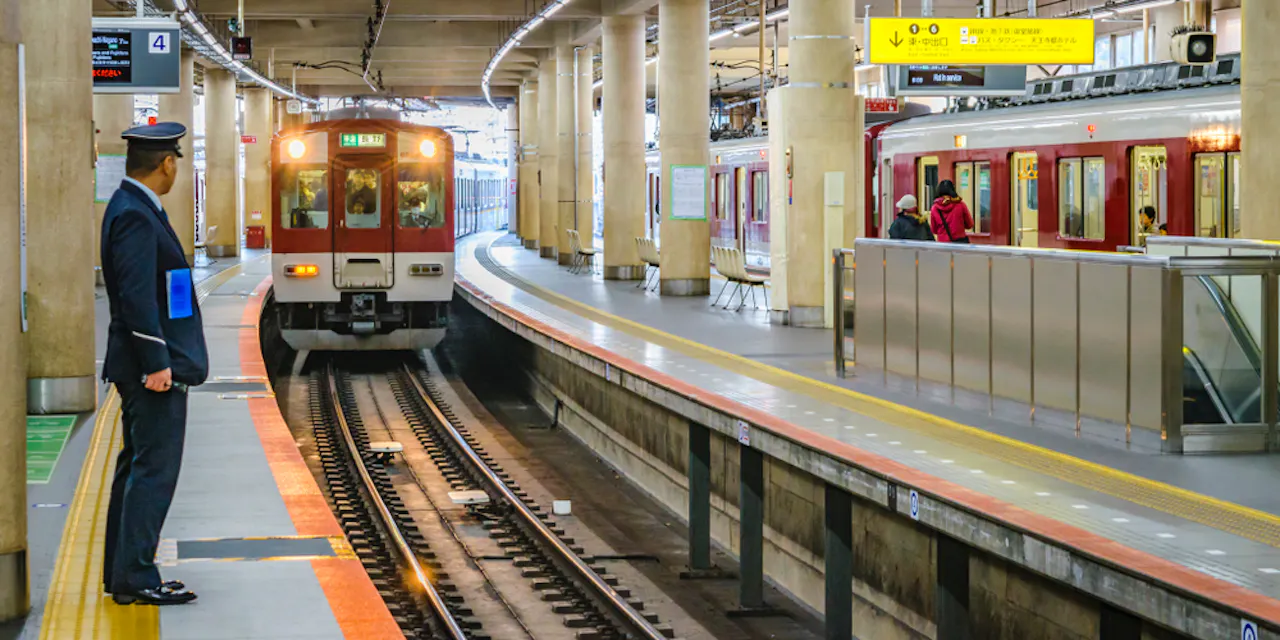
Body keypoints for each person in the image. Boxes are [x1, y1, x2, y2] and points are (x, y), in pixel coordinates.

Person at [100, 122, 207, 606]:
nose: (176, 169)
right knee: (153, 472)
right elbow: (137, 296)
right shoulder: (136, 215)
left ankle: (124, 573)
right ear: (166, 163)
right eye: (176, 161)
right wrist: (157, 361)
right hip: (150, 372)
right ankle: (138, 576)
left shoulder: (134, 207)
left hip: (145, 366)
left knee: (137, 467)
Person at [930, 179, 975, 243]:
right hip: (959, 244)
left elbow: (934, 230)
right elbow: (970, 224)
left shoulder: (934, 208)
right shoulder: (961, 205)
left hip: (943, 245)